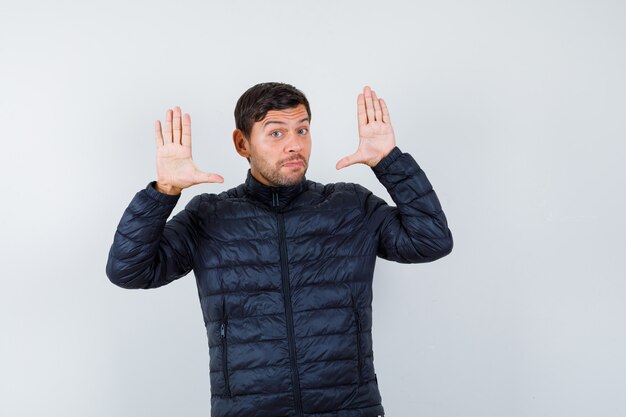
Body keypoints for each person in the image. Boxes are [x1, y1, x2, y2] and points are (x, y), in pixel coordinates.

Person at [106, 82, 453, 417]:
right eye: (276, 133)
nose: (294, 145)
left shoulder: (349, 206)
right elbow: (130, 270)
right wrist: (164, 191)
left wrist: (389, 162)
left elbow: (431, 239)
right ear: (242, 144)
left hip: (349, 408)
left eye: (301, 130)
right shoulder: (209, 216)